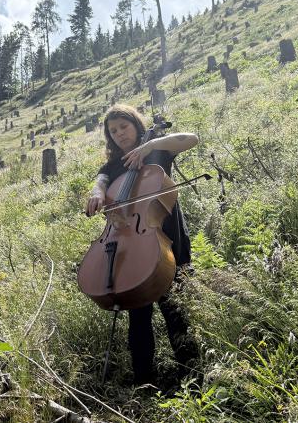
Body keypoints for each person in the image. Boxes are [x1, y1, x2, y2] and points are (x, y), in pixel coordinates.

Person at [85, 104, 200, 387]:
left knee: (177, 312)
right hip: (130, 247)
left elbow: (192, 138)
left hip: (168, 240)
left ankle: (194, 377)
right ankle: (144, 382)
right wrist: (98, 192)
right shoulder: (113, 166)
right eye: (113, 131)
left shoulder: (157, 151)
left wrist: (151, 146)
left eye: (123, 127)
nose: (119, 134)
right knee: (138, 315)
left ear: (136, 125)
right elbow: (100, 182)